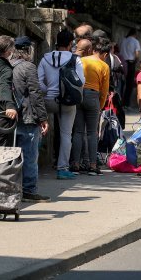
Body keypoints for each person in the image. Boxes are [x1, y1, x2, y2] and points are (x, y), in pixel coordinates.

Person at [38, 29, 85, 180]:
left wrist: (48, 90)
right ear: (71, 43)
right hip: (68, 101)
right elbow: (81, 81)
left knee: (36, 130)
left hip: (48, 101)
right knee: (66, 135)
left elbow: (38, 82)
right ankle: (62, 168)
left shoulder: (45, 58)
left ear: (56, 42)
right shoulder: (75, 59)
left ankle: (31, 163)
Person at [10, 36, 50, 202]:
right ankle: (29, 190)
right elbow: (35, 93)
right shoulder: (28, 67)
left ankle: (11, 188)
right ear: (28, 51)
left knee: (11, 156)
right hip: (27, 117)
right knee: (29, 156)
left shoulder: (7, 65)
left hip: (9, 118)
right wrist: (43, 118)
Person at [71, 38, 109, 175]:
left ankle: (75, 164)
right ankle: (93, 165)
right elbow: (104, 91)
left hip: (78, 95)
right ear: (105, 55)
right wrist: (100, 106)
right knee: (92, 133)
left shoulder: (82, 60)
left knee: (78, 132)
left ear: (93, 50)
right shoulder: (104, 66)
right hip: (93, 97)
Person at [119, 28, 141, 110]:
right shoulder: (135, 41)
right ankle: (126, 104)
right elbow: (137, 54)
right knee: (129, 84)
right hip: (131, 63)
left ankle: (119, 102)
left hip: (122, 63)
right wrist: (136, 62)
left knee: (121, 84)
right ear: (135, 34)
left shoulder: (123, 40)